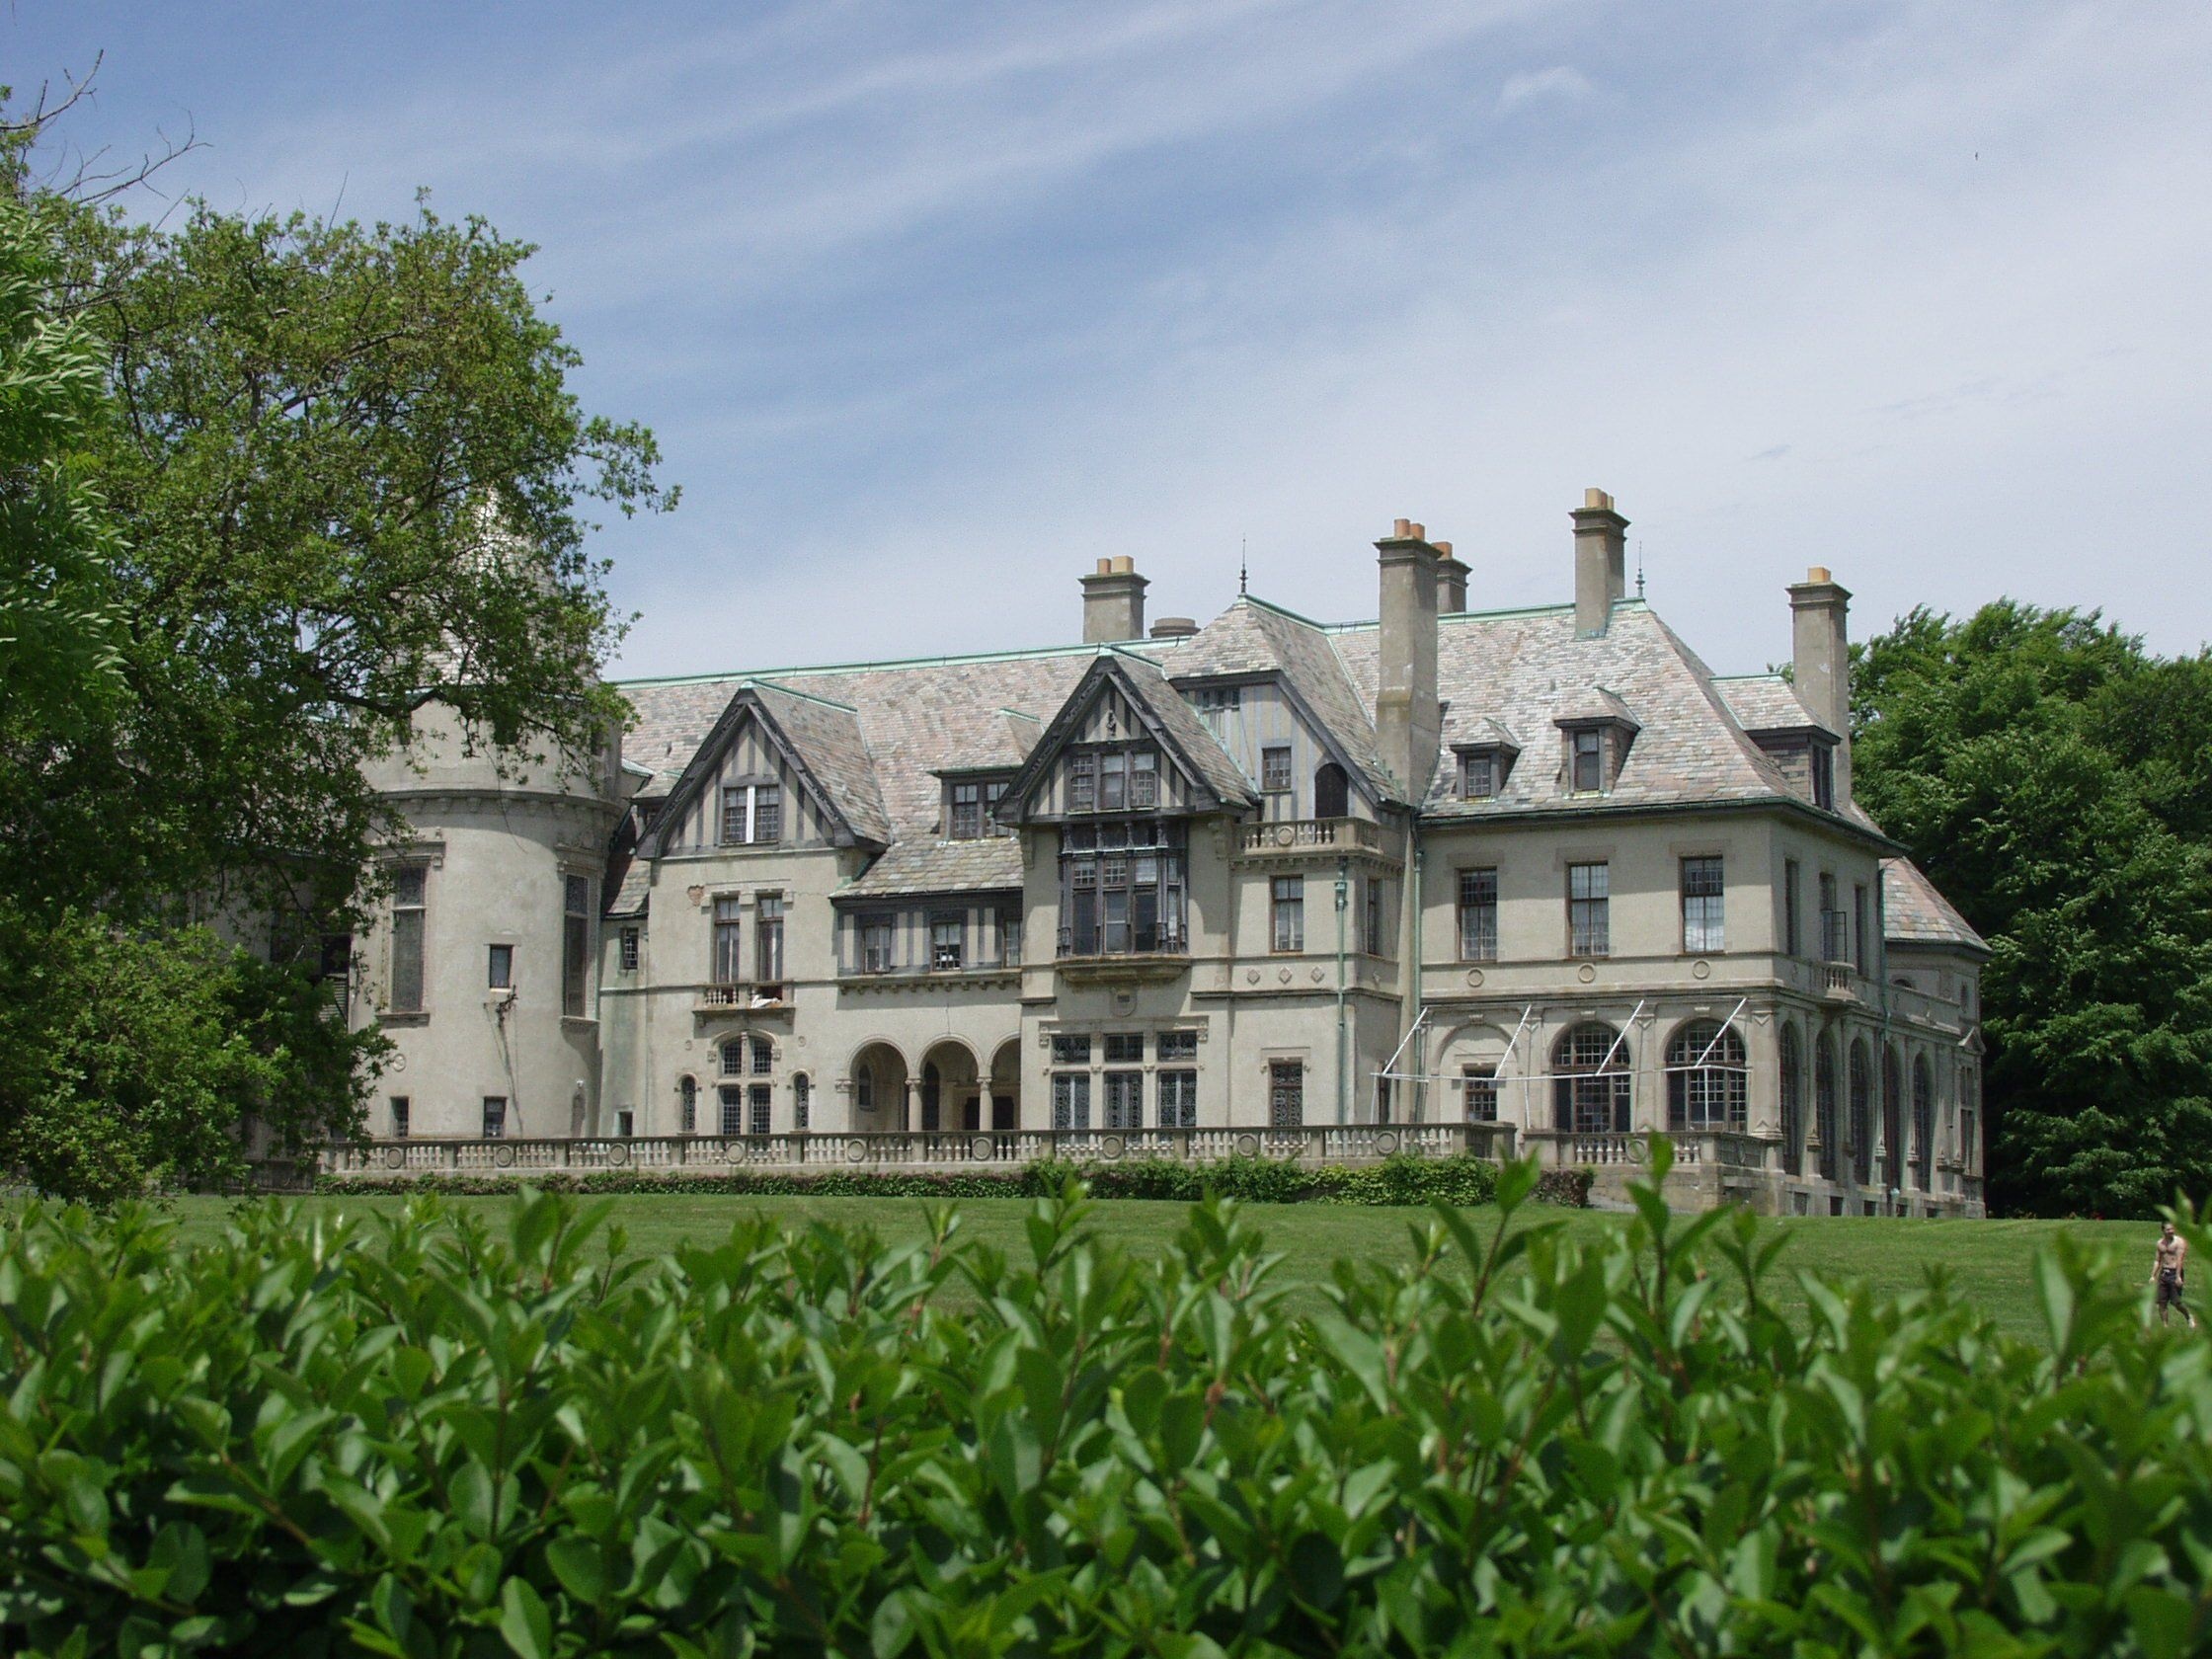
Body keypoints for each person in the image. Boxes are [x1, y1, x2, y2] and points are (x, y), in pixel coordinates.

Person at [2153, 1222, 2195, 1329]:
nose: (2171, 1231)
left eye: (2172, 1229)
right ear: (2163, 1231)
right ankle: (2165, 1327)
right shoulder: (2160, 1243)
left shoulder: (2179, 1242)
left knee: (2177, 1303)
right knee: (2161, 1303)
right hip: (2163, 1273)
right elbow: (2157, 1260)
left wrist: (2178, 1277)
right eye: (2168, 1230)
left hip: (2174, 1273)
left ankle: (2189, 1316)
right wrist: (2153, 1275)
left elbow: (2179, 1260)